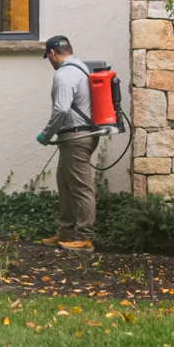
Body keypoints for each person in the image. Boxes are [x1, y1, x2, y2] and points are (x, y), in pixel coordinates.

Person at [36, 35, 99, 252]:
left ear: (52, 53)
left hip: (75, 137)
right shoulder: (81, 68)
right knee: (64, 184)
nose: (50, 62)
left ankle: (84, 238)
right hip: (76, 136)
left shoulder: (64, 74)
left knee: (81, 188)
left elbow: (62, 109)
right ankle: (66, 232)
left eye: (49, 57)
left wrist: (46, 135)